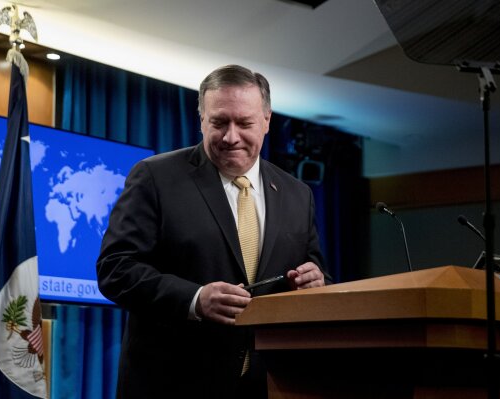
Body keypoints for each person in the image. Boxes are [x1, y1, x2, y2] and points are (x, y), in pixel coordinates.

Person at [96, 64, 332, 399]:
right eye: (219, 122)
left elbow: (317, 272)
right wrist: (194, 299)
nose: (231, 136)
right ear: (201, 120)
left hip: (268, 386)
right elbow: (115, 269)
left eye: (245, 123)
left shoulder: (297, 194)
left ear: (266, 120)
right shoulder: (155, 177)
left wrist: (315, 283)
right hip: (172, 385)